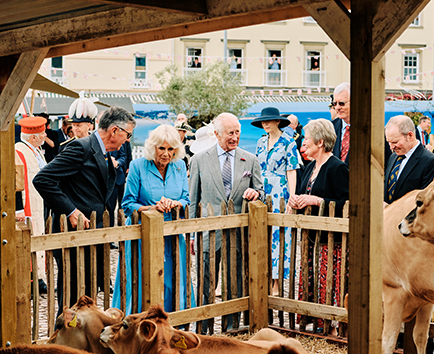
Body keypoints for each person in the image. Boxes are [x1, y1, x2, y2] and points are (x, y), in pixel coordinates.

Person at [33, 106, 136, 317]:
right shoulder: (81, 147)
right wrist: (70, 210)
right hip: (75, 236)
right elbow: (43, 179)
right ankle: (64, 344)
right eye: (128, 135)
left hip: (94, 235)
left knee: (88, 297)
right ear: (114, 131)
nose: (128, 140)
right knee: (72, 298)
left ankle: (83, 342)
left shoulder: (104, 153)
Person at [189, 113, 263, 332]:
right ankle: (204, 330)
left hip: (238, 234)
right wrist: (194, 235)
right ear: (217, 134)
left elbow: (261, 192)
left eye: (237, 132)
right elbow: (194, 200)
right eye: (230, 133)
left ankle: (232, 328)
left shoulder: (250, 159)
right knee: (206, 283)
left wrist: (255, 193)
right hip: (209, 233)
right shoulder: (199, 160)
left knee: (235, 282)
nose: (235, 137)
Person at [113, 124, 194, 313]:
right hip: (142, 233)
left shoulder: (180, 166)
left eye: (171, 149)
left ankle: (172, 321)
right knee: (141, 279)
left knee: (172, 279)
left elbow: (186, 199)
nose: (166, 154)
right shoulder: (137, 166)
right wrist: (153, 207)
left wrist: (175, 203)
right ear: (153, 148)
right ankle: (136, 322)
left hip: (172, 234)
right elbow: (127, 204)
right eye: (162, 148)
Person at [288, 119, 349, 336]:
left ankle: (331, 328)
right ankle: (315, 323)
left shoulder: (338, 168)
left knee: (331, 283)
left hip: (331, 241)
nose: (303, 143)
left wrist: (317, 201)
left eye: (307, 139)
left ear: (320, 142)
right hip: (311, 239)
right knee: (311, 279)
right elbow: (306, 193)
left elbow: (347, 202)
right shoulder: (310, 167)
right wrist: (296, 201)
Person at [253, 107, 298, 296]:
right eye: (263, 121)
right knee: (261, 233)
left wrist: (292, 198)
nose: (265, 123)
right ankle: (262, 276)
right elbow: (255, 167)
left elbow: (292, 170)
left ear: (277, 121)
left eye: (269, 120)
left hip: (280, 191)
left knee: (279, 237)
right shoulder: (260, 142)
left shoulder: (289, 142)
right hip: (262, 191)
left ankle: (276, 282)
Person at [15, 116, 48, 293]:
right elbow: (15, 179)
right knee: (29, 239)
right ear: (33, 137)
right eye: (42, 133)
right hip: (27, 203)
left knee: (38, 236)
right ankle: (30, 278)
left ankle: (38, 276)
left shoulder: (35, 150)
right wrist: (19, 208)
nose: (45, 135)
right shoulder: (18, 151)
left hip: (38, 201)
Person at [383, 115, 434, 203]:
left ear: (410, 135)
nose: (391, 147)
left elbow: (427, 203)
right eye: (389, 142)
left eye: (395, 142)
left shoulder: (430, 162)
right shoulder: (393, 157)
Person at [331, 83, 351, 164]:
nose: (337, 108)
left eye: (341, 103)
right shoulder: (330, 128)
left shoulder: (369, 129)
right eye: (335, 104)